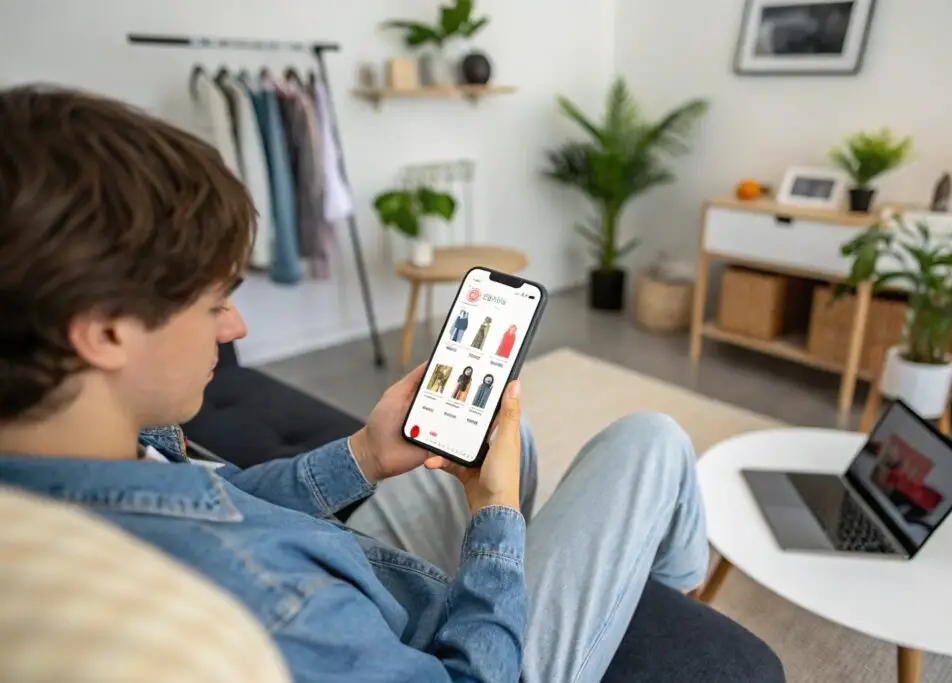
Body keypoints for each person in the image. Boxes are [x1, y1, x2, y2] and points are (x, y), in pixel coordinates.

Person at [0, 86, 710, 683]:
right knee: (651, 440)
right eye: (214, 302)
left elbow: (219, 500)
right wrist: (496, 521)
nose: (236, 327)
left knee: (489, 435)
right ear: (104, 330)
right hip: (453, 654)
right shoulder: (263, 595)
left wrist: (366, 454)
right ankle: (680, 606)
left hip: (361, 585)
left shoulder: (76, 451)